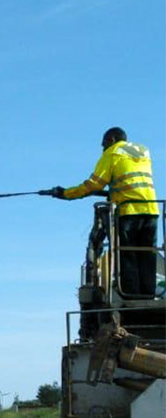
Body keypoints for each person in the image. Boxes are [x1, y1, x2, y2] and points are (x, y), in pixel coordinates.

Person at [46, 127, 160, 296]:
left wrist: (65, 194)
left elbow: (94, 185)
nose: (102, 147)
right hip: (151, 210)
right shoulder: (143, 152)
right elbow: (129, 179)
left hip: (127, 211)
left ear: (112, 140)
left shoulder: (112, 153)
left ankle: (131, 295)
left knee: (126, 255)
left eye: (104, 143)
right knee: (147, 255)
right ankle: (148, 295)